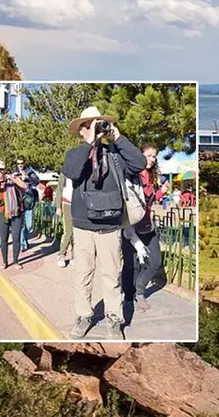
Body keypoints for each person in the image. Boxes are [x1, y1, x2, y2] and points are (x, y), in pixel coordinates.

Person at [62, 106, 146, 340]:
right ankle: (83, 316)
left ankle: (114, 319)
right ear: (81, 130)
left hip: (110, 225)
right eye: (88, 126)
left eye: (97, 124)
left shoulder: (115, 155)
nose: (94, 129)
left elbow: (139, 163)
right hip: (83, 226)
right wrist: (89, 143)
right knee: (83, 275)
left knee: (111, 276)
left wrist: (117, 137)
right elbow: (71, 171)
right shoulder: (75, 154)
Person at [122, 143, 169, 313]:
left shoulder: (149, 175)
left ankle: (139, 290)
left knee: (155, 262)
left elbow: (148, 201)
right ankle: (129, 297)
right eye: (149, 156)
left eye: (154, 156)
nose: (152, 159)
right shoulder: (132, 174)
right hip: (130, 225)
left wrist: (161, 191)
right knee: (131, 264)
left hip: (146, 224)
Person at [0, 160, 25, 269]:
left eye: (2, 169)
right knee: (3, 238)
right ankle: (4, 261)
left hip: (16, 211)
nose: (0, 172)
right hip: (2, 212)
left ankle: (16, 261)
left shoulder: (12, 177)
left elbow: (24, 186)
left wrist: (12, 178)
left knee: (16, 237)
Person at [14, 156, 40, 251]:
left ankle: (24, 239)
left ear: (24, 163)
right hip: (19, 201)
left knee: (29, 225)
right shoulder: (15, 172)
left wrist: (27, 177)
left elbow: (37, 181)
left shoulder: (30, 171)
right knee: (21, 224)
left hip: (29, 200)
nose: (20, 165)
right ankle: (22, 243)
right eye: (18, 163)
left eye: (21, 163)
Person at [57, 176, 74, 268]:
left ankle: (74, 256)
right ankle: (61, 254)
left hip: (77, 204)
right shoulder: (65, 173)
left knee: (76, 232)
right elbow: (59, 189)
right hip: (67, 203)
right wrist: (58, 207)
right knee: (68, 232)